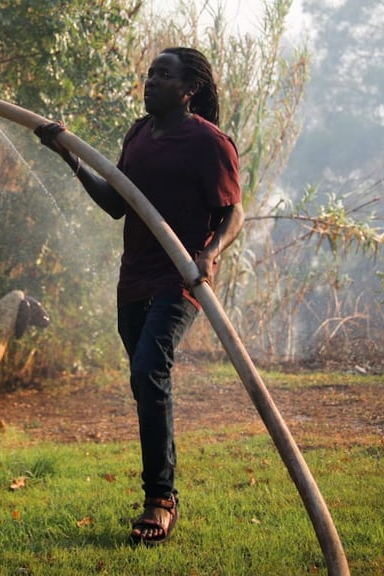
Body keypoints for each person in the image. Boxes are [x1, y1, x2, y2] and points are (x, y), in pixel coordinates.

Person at [36, 46, 244, 545]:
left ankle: (160, 499)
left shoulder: (209, 142)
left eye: (163, 74)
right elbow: (115, 203)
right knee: (146, 380)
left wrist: (209, 254)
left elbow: (235, 213)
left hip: (180, 278)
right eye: (150, 73)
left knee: (148, 367)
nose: (150, 81)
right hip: (133, 280)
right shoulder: (137, 134)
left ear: (187, 89)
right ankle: (162, 485)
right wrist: (68, 156)